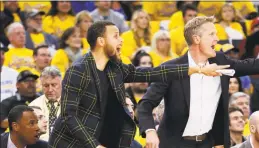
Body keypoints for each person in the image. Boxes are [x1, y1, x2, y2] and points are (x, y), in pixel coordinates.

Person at [48, 20, 229, 148]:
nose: (121, 40)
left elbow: (152, 72)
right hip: (72, 144)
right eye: (116, 36)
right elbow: (68, 116)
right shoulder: (78, 70)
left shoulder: (115, 68)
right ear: (101, 42)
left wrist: (196, 70)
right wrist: (95, 146)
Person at [137, 16, 259, 148]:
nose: (217, 38)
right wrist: (150, 132)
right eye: (211, 34)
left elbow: (253, 65)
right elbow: (145, 104)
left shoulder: (220, 61)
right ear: (196, 39)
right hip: (173, 143)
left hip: (208, 143)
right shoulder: (170, 69)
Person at [29, 66, 62, 141]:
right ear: (41, 86)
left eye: (54, 85)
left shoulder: (73, 104)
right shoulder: (33, 106)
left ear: (62, 84)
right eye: (46, 86)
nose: (50, 90)